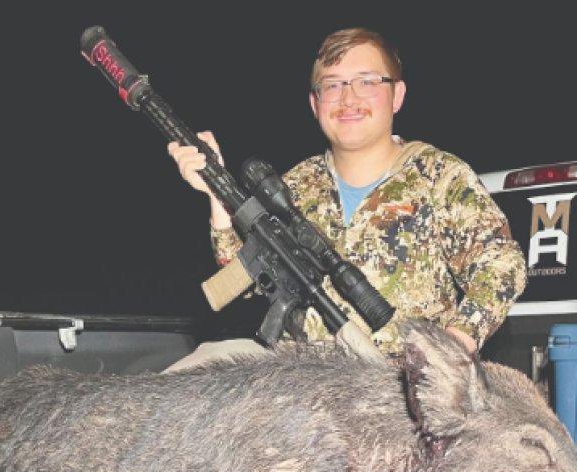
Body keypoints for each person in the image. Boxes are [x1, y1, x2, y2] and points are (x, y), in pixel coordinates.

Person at [168, 28, 526, 356]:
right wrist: (215, 194)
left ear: (396, 95)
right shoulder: (294, 186)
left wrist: (451, 347)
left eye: (367, 82)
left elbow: (502, 266)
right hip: (303, 392)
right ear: (315, 103)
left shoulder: (440, 177)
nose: (348, 98)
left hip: (400, 394)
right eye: (333, 85)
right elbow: (246, 280)